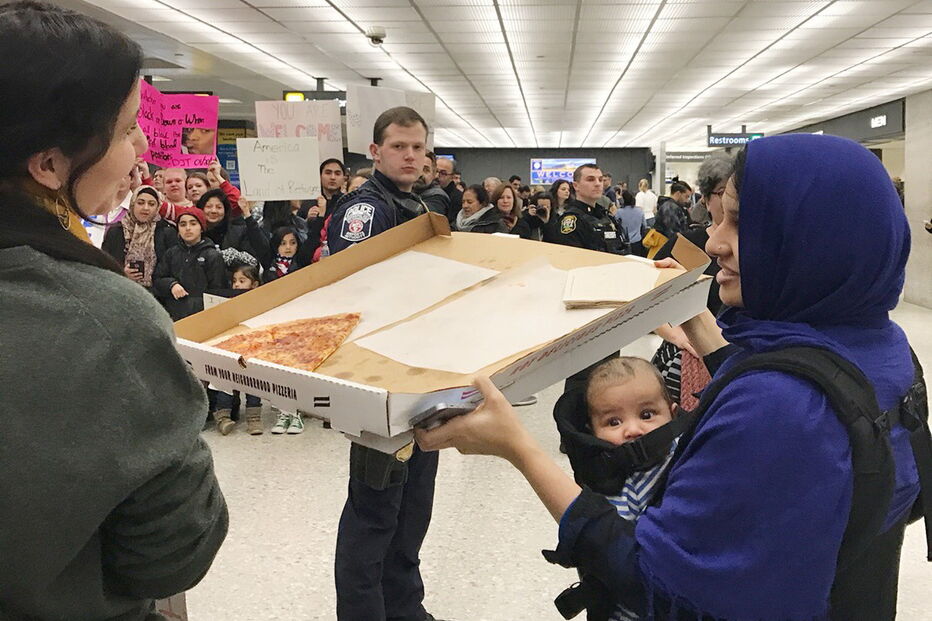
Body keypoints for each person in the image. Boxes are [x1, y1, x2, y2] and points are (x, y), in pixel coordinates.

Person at [416, 134, 926, 620]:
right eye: (716, 216)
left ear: (812, 241)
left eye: (740, 223)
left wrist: (517, 447)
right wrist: (697, 319)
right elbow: (805, 421)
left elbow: (651, 574)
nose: (715, 240)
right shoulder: (879, 347)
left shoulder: (779, 404)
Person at [0, 3, 227, 617]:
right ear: (49, 164)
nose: (144, 146)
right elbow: (173, 553)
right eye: (127, 129)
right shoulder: (105, 320)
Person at [328, 106, 442, 621]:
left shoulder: (419, 203)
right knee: (375, 512)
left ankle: (405, 608)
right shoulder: (366, 209)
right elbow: (356, 292)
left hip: (423, 374)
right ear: (375, 151)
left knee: (413, 508)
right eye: (400, 146)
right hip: (381, 382)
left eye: (418, 146)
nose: (411, 155)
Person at [213, 264, 265, 435]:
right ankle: (223, 417)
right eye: (234, 281)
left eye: (242, 281)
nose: (236, 285)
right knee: (225, 380)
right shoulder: (228, 301)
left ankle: (254, 418)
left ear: (255, 284)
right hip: (231, 348)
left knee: (253, 382)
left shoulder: (260, 302)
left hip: (252, 349)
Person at [152, 208, 229, 321]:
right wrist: (171, 285)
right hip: (173, 315)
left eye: (193, 224)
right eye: (183, 224)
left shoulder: (212, 255)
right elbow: (158, 278)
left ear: (201, 228)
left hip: (203, 316)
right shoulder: (171, 253)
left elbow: (218, 291)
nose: (188, 228)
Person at [102, 184, 179, 290]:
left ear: (158, 207)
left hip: (157, 295)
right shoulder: (117, 231)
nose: (145, 208)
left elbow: (173, 267)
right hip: (120, 288)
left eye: (151, 204)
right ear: (132, 204)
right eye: (140, 203)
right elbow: (105, 264)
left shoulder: (166, 231)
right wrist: (122, 273)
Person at [197, 187, 270, 268]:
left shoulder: (239, 232)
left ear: (225, 210)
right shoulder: (195, 234)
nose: (213, 211)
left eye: (219, 207)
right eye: (209, 206)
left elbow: (260, 251)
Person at [414, 150, 452, 218]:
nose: (420, 174)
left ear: (434, 174)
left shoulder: (438, 197)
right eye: (417, 168)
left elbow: (426, 218)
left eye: (426, 170)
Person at [614, 189, 647, 257]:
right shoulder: (640, 211)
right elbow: (644, 225)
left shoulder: (619, 212)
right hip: (637, 242)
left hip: (624, 243)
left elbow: (615, 226)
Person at [435, 155, 463, 223]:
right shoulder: (424, 191)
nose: (437, 175)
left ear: (452, 177)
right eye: (435, 171)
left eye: (443, 173)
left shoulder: (458, 198)